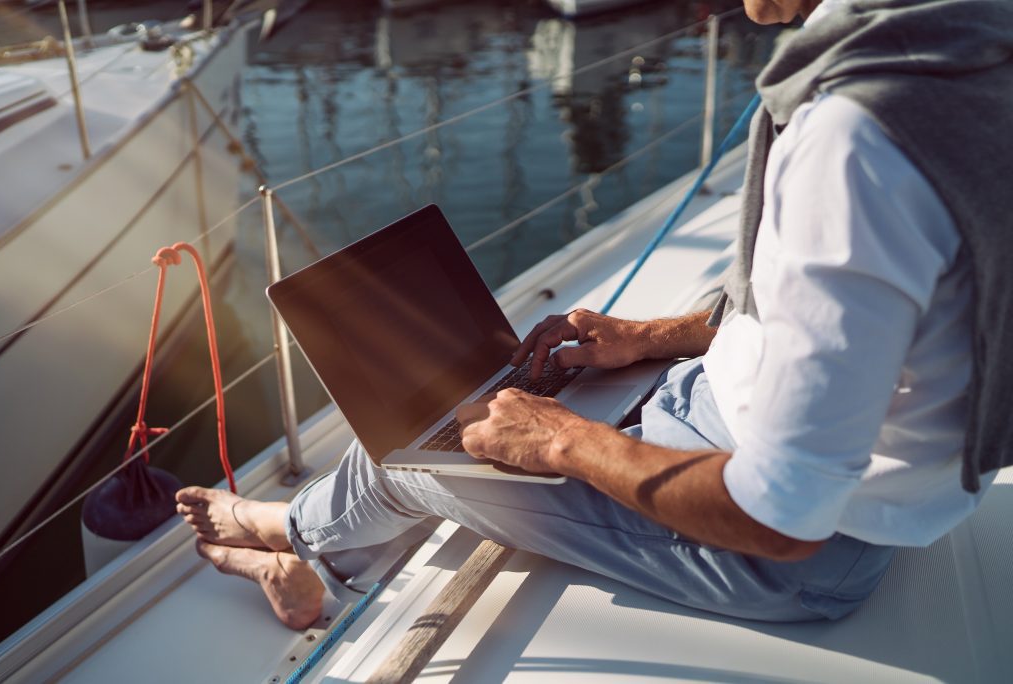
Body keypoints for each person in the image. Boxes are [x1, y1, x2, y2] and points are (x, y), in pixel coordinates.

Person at [177, 0, 1013, 629]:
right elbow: (886, 337)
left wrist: (563, 441)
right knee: (474, 411)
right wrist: (653, 339)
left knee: (413, 452)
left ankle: (288, 538)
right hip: (745, 432)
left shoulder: (855, 138)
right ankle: (317, 531)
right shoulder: (976, 55)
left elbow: (783, 514)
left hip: (794, 556)